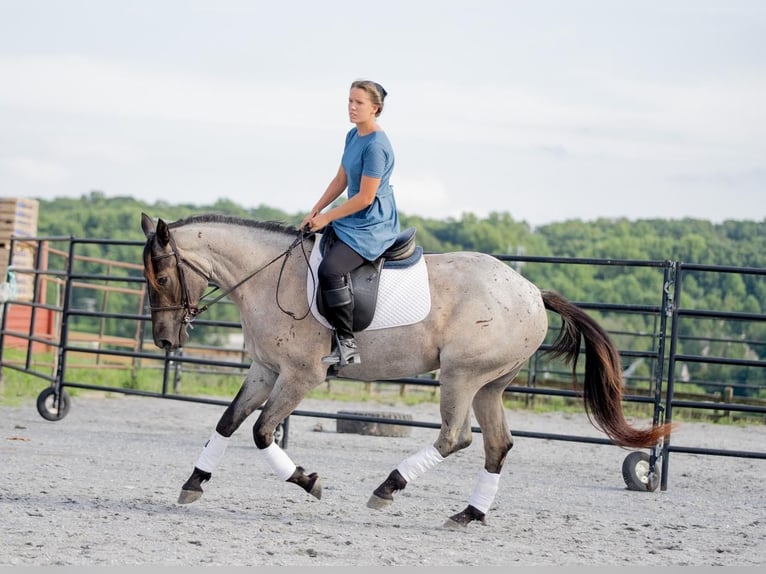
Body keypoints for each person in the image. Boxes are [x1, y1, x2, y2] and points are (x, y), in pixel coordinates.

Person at [301, 79, 400, 366]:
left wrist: (328, 217)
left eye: (359, 103)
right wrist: (315, 210)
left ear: (375, 108)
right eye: (349, 101)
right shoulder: (352, 136)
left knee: (331, 270)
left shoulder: (376, 146)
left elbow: (366, 197)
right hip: (351, 215)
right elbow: (341, 180)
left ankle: (347, 342)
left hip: (371, 224)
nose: (352, 107)